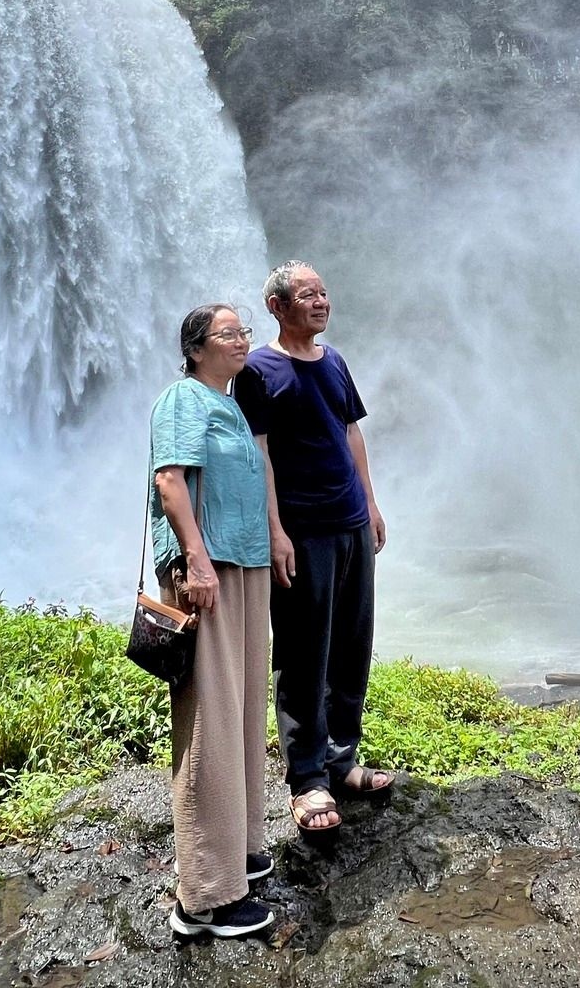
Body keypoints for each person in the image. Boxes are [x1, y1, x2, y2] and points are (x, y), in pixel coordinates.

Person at [235, 261, 392, 837]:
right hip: (302, 532)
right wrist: (275, 531)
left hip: (349, 522)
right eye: (307, 294)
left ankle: (342, 759)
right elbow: (260, 454)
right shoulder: (257, 371)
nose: (321, 301)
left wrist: (371, 504)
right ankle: (307, 780)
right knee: (304, 653)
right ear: (277, 307)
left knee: (352, 646)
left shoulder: (335, 361)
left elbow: (351, 433)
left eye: (324, 291)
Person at [150, 304, 292, 940]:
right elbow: (170, 481)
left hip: (244, 567)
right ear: (198, 347)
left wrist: (273, 537)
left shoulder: (229, 404)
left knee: (240, 711)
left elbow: (250, 480)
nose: (243, 342)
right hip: (207, 574)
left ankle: (238, 853)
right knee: (209, 719)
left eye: (244, 333)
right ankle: (204, 899)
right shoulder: (183, 398)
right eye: (231, 333)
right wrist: (197, 564)